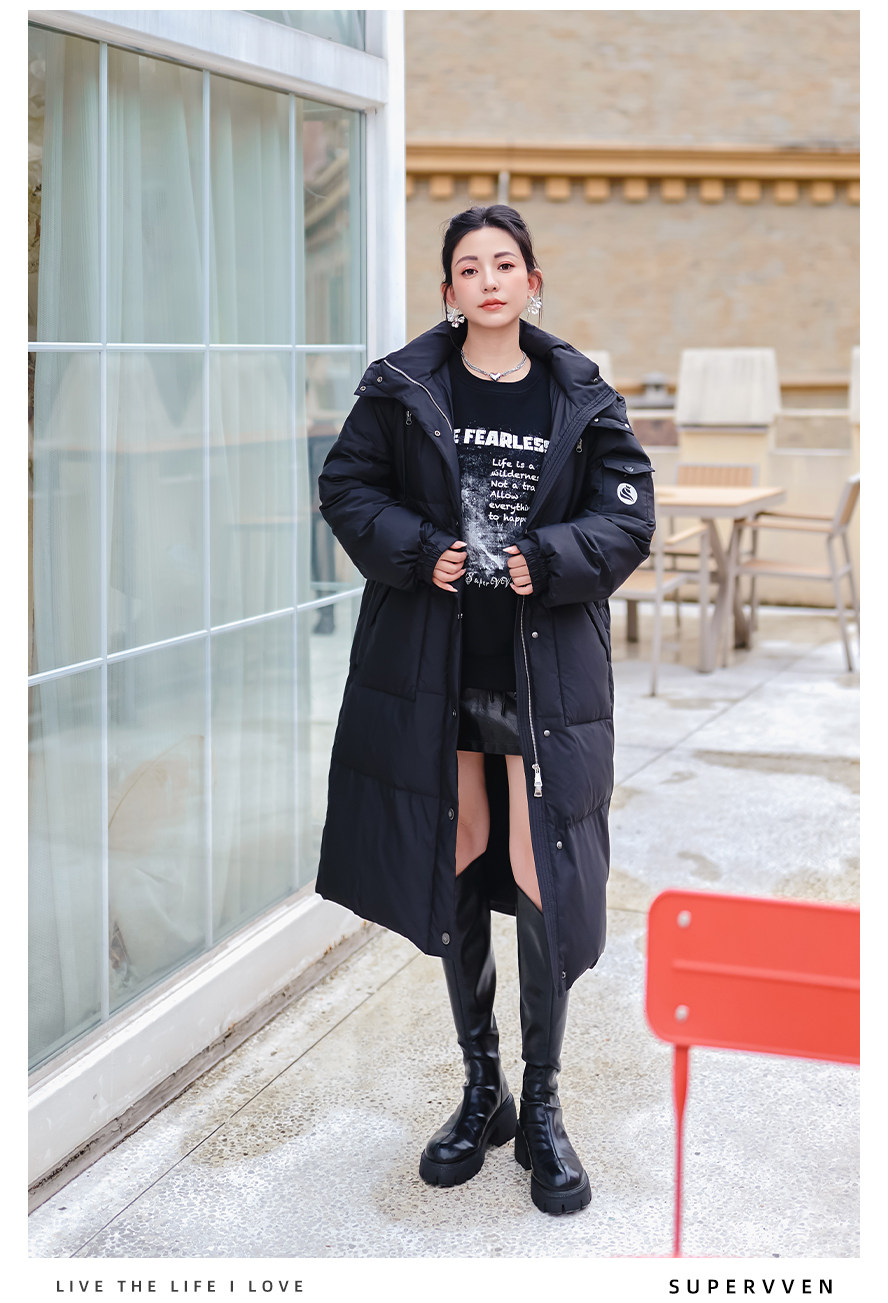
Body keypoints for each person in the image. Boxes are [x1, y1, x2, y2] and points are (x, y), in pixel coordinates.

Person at [316, 205, 654, 1216]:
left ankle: (544, 1106)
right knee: (457, 849)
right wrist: (422, 550)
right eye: (470, 267)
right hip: (435, 662)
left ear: (532, 281)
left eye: (506, 263)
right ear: (449, 290)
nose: (490, 279)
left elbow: (627, 515)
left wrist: (546, 557)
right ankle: (483, 1090)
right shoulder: (403, 385)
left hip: (542, 671)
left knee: (539, 862)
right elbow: (348, 486)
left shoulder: (580, 393)